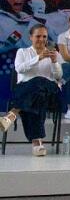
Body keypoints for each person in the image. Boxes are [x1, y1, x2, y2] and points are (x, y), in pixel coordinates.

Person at [0, 24, 63, 155]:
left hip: (49, 90)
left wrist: (54, 62)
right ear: (31, 37)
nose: (41, 39)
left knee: (39, 81)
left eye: (44, 36)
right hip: (27, 91)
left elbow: (58, 76)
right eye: (38, 36)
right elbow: (20, 69)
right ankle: (37, 142)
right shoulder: (22, 52)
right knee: (36, 95)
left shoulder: (54, 53)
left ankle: (13, 113)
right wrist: (38, 58)